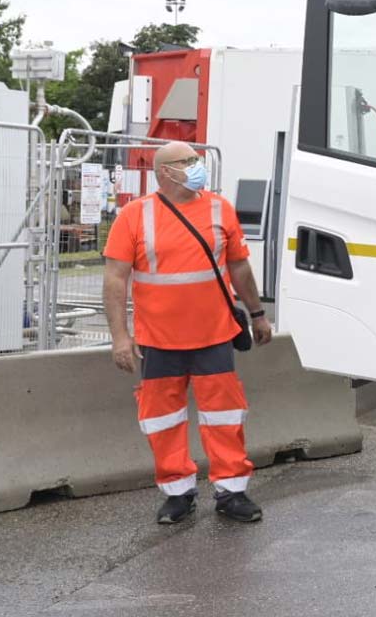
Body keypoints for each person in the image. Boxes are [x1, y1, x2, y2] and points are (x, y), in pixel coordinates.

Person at [102, 142, 274, 525]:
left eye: (197, 160)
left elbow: (240, 268)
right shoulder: (134, 216)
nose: (197, 167)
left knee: (225, 417)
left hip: (214, 335)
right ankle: (178, 494)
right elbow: (115, 279)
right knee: (162, 421)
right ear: (165, 172)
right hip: (158, 341)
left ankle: (232, 491)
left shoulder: (219, 208)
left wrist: (258, 314)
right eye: (188, 162)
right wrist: (120, 337)